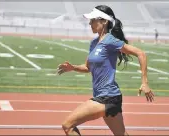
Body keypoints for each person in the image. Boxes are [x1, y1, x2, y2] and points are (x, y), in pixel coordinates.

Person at [57, 5, 154, 136]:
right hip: (108, 97)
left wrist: (144, 82)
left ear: (104, 21)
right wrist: (73, 67)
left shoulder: (110, 41)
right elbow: (88, 67)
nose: (90, 23)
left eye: (93, 20)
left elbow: (140, 53)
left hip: (107, 98)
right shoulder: (94, 43)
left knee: (67, 125)